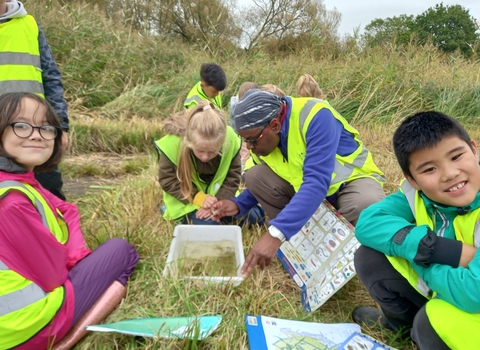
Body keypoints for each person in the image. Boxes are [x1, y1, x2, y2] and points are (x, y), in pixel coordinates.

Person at [0, 92, 139, 350]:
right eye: (21, 125)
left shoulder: (17, 182)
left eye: (45, 127)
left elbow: (64, 209)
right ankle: (65, 343)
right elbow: (54, 276)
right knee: (123, 252)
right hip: (25, 328)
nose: (36, 134)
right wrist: (76, 257)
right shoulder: (11, 202)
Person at [211, 89, 386, 278]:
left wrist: (275, 234)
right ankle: (301, 245)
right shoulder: (261, 135)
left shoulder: (317, 116)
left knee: (366, 204)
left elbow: (316, 182)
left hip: (348, 185)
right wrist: (239, 204)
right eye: (245, 140)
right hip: (308, 196)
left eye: (252, 140)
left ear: (275, 125)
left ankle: (343, 256)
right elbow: (268, 177)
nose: (249, 147)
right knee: (254, 175)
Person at [352, 111, 480, 350]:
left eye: (456, 156)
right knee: (370, 256)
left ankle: (423, 332)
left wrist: (421, 260)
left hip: (475, 303)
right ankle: (400, 326)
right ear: (412, 179)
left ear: (474, 149)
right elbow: (369, 222)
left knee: (430, 323)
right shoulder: (416, 195)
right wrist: (433, 248)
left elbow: (475, 293)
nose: (450, 174)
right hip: (445, 280)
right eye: (429, 169)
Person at [0, 0, 69, 200]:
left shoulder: (29, 25)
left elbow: (51, 78)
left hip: (33, 131)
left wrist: (61, 127)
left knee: (49, 196)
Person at [155, 101, 264, 226]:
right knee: (210, 225)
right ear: (189, 141)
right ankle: (168, 211)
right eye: (200, 151)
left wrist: (218, 203)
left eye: (212, 152)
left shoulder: (231, 140)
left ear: (222, 142)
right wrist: (198, 198)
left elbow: (233, 176)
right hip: (188, 202)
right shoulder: (172, 145)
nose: (205, 157)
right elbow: (168, 180)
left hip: (220, 198)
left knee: (256, 219)